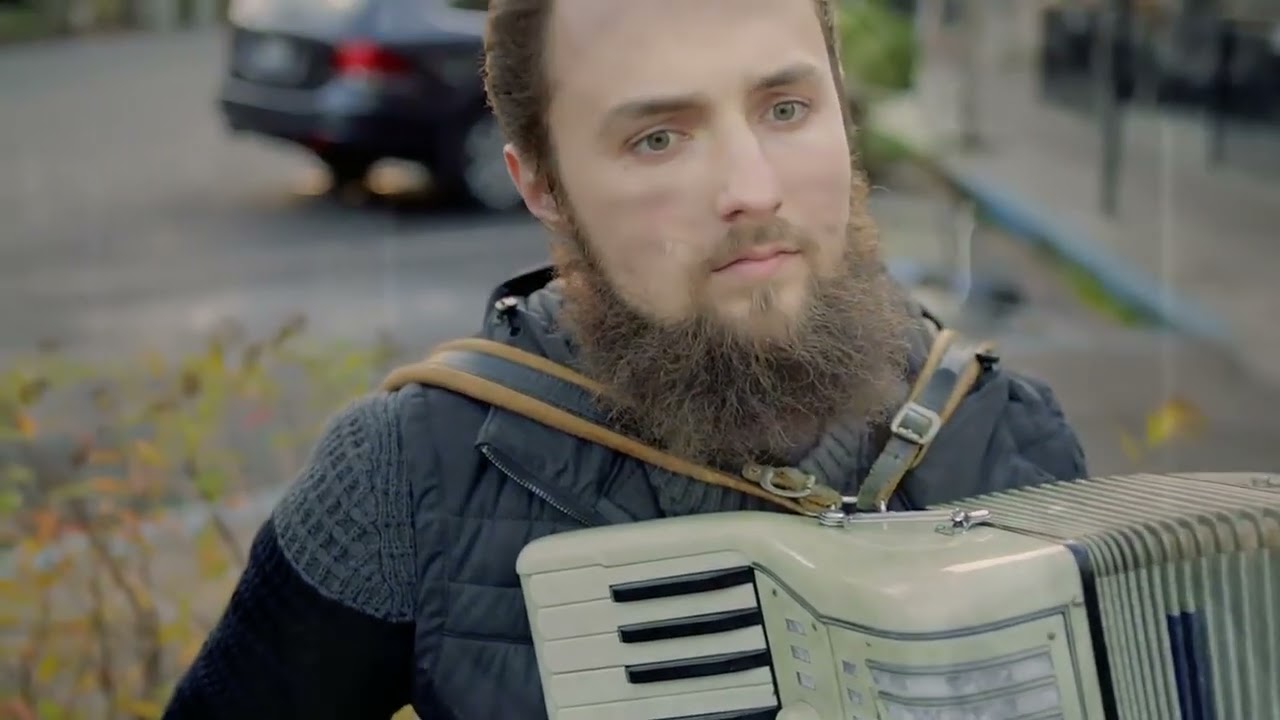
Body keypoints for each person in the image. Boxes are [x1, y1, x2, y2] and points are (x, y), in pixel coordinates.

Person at [161, 0, 1087, 717]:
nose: (752, 189)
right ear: (542, 185)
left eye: (787, 108)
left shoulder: (1008, 433)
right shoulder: (402, 478)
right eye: (658, 138)